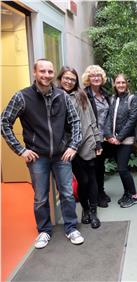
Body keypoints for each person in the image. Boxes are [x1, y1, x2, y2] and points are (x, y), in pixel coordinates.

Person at [1, 59, 84, 248]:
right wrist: (20, 149)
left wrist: (73, 146)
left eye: (49, 71)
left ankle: (71, 228)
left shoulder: (62, 96)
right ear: (34, 72)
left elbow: (76, 122)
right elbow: (4, 122)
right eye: (42, 71)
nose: (46, 75)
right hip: (37, 157)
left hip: (62, 154)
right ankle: (44, 231)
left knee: (67, 194)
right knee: (40, 197)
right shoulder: (22, 97)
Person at [57, 66, 102, 229]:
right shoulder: (56, 96)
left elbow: (91, 118)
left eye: (72, 79)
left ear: (76, 81)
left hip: (87, 141)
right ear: (60, 79)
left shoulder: (81, 95)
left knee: (91, 178)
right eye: (66, 78)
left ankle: (93, 212)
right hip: (69, 146)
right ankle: (85, 207)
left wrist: (98, 140)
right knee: (82, 180)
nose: (69, 81)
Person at [104, 74, 137, 208]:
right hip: (113, 140)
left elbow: (132, 120)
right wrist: (109, 136)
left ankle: (134, 195)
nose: (120, 85)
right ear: (114, 84)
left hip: (126, 140)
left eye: (123, 82)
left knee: (122, 169)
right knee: (121, 169)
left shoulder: (132, 99)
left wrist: (119, 138)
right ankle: (127, 193)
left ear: (127, 84)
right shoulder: (113, 98)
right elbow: (108, 118)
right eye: (118, 83)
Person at [82, 65, 112, 208]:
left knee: (100, 166)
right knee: (92, 167)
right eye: (93, 75)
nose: (96, 78)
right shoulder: (84, 94)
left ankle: (101, 191)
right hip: (90, 137)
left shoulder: (105, 94)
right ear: (88, 78)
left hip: (103, 137)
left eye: (98, 75)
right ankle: (94, 196)